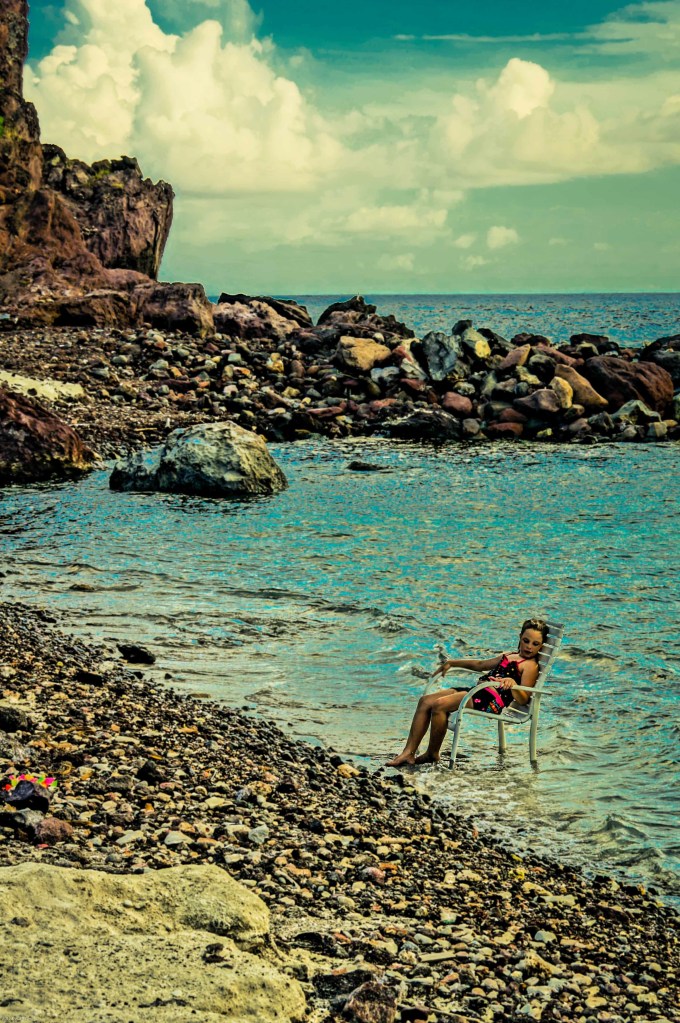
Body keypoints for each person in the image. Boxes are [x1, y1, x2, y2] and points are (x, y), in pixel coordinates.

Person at [386, 618, 549, 767]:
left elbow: (523, 699)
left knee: (440, 705)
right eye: (526, 641)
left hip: (490, 700)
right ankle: (408, 753)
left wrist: (513, 685)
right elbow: (480, 665)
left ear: (541, 646)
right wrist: (452, 663)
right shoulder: (509, 655)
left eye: (535, 644)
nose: (529, 646)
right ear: (520, 637)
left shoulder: (530, 666)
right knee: (425, 701)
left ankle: (432, 753)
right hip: (477, 691)